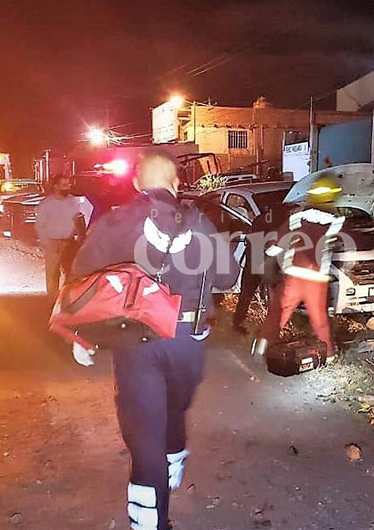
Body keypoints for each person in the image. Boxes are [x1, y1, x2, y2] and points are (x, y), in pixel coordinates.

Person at [69, 151, 239, 530]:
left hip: (135, 343)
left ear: (135, 184)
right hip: (187, 341)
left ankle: (150, 521)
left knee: (145, 431)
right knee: (174, 410)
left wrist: (81, 336)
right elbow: (228, 277)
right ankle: (174, 457)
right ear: (177, 183)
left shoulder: (114, 221)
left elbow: (81, 279)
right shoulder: (200, 223)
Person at [260, 175, 345, 361]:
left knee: (279, 313)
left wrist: (268, 262)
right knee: (319, 318)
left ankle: (262, 348)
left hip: (293, 276)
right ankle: (328, 355)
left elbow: (277, 242)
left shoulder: (297, 217)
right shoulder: (336, 222)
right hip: (316, 279)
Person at [232, 202, 290, 334]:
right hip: (269, 263)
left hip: (253, 261)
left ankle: (237, 323)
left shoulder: (260, 219)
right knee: (273, 296)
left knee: (246, 294)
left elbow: (250, 238)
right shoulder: (284, 222)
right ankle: (270, 328)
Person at [35, 174, 94, 296]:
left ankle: (66, 301)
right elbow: (40, 225)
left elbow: (78, 218)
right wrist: (46, 243)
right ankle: (52, 303)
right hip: (53, 243)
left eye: (68, 185)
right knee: (52, 275)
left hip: (70, 242)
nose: (68, 187)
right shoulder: (46, 204)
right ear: (56, 187)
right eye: (64, 185)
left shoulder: (73, 201)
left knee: (71, 273)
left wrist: (80, 236)